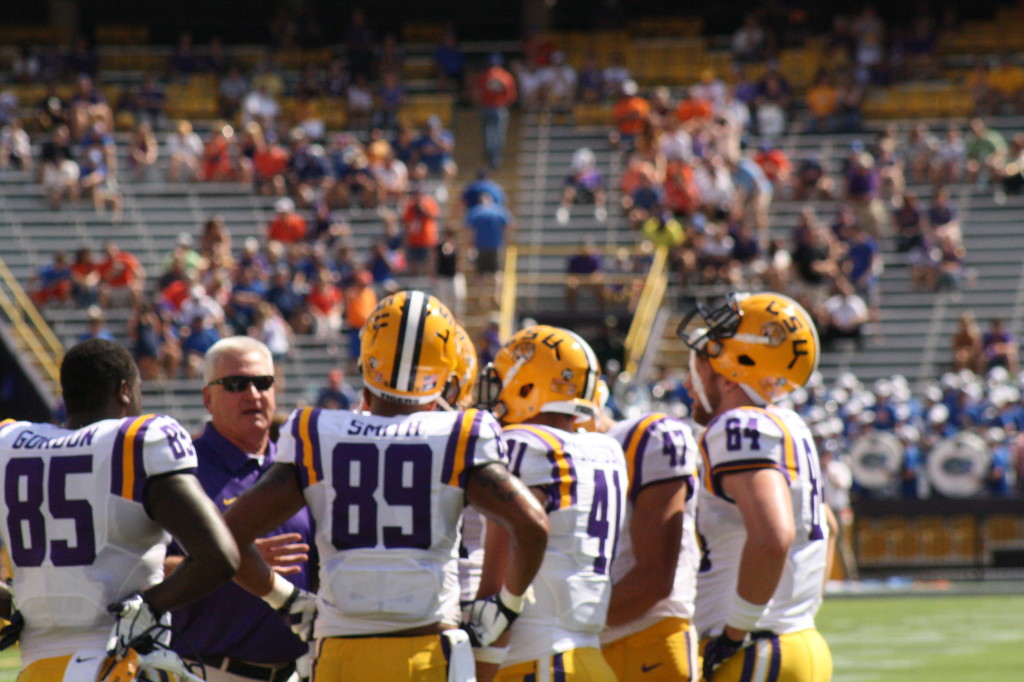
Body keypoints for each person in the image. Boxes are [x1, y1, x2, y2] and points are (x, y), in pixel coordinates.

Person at [222, 290, 549, 680]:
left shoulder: (318, 432)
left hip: (340, 654)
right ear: (443, 373)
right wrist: (508, 605)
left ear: (365, 360)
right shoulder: (459, 434)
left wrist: (284, 597)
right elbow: (532, 525)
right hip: (428, 653)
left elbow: (224, 536)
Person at [0, 338, 239, 680]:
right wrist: (151, 606)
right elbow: (221, 557)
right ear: (125, 390)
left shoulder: (10, 444)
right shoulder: (134, 443)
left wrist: (16, 601)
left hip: (40, 668)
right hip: (121, 663)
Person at [678, 292, 833, 681]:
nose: (689, 377)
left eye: (704, 355)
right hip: (794, 639)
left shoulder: (739, 426)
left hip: (758, 650)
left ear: (734, 363)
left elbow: (773, 536)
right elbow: (827, 523)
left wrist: (735, 632)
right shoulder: (788, 424)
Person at [475, 325, 625, 681]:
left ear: (529, 385)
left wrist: (479, 667)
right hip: (589, 657)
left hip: (534, 662)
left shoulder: (519, 444)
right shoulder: (608, 450)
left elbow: (497, 587)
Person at [169, 337, 315, 682]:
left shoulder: (301, 468)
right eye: (235, 384)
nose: (253, 394)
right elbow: (146, 569)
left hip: (302, 670)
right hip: (212, 670)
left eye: (263, 382)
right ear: (207, 398)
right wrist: (228, 561)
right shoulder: (179, 473)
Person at [600, 412, 701, 680]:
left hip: (643, 638)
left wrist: (569, 625)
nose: (689, 384)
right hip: (603, 641)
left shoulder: (646, 435)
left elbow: (654, 578)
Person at [475, 53, 517, 169]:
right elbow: (511, 97)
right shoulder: (506, 76)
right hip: (500, 108)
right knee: (499, 135)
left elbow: (478, 94)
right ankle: (495, 159)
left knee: (488, 134)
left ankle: (490, 155)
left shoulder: (484, 75)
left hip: (486, 107)